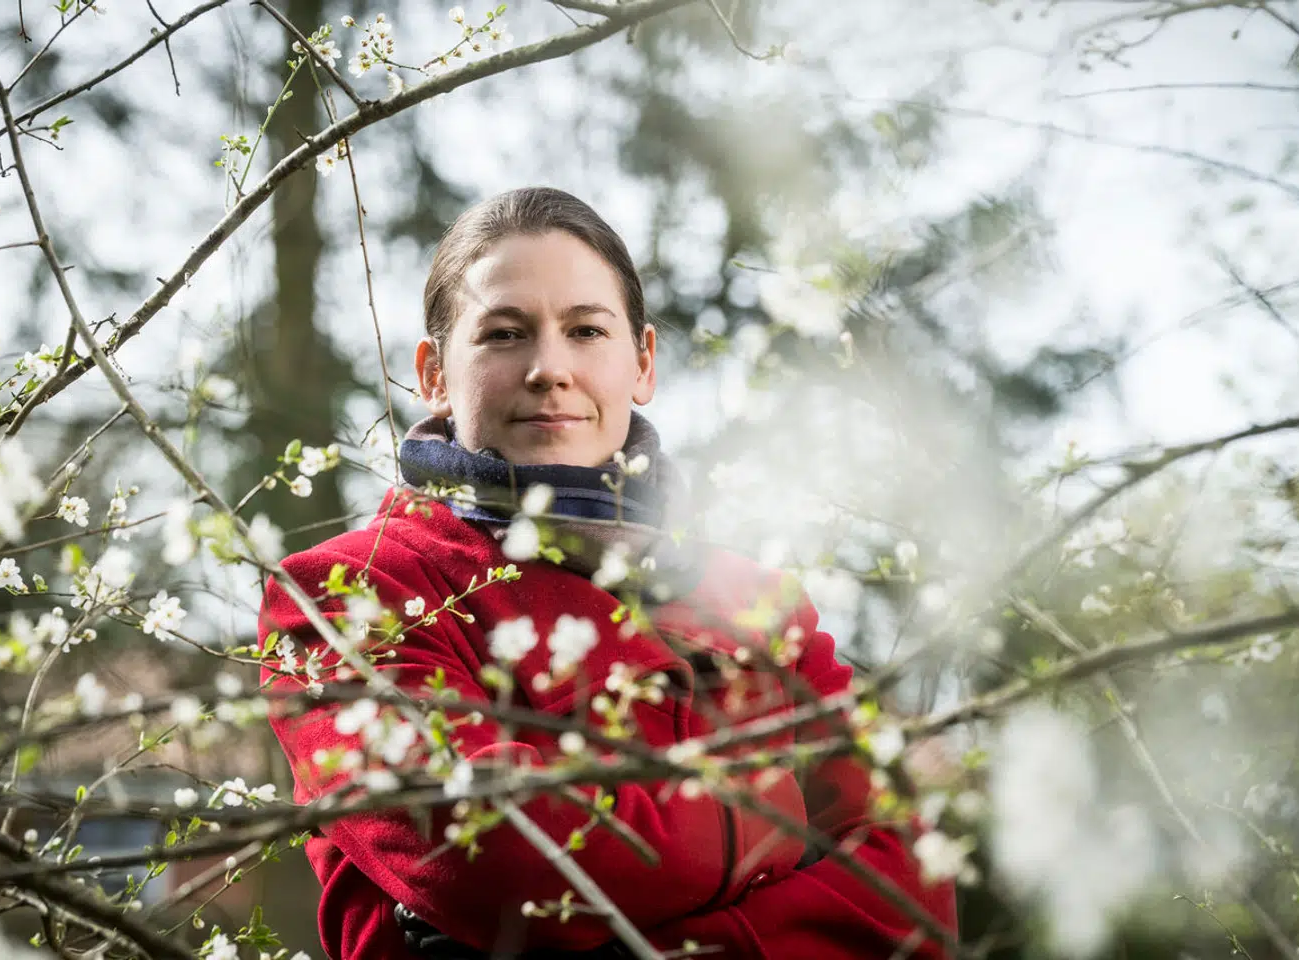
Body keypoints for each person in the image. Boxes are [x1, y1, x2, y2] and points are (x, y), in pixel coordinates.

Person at [258, 187, 957, 959]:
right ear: (432, 374)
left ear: (643, 363)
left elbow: (909, 896)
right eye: (503, 334)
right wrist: (777, 808)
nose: (549, 368)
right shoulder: (346, 594)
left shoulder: (756, 604)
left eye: (586, 329)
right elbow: (503, 860)